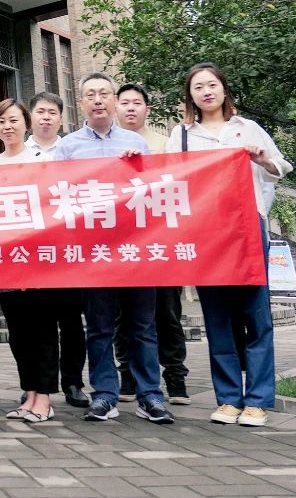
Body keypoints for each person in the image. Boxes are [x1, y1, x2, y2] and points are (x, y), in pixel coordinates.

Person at [165, 63, 292, 428]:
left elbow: (281, 166)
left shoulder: (247, 128)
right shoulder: (182, 135)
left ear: (223, 89)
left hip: (248, 229)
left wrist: (262, 160)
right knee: (217, 316)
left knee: (255, 315)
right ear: (190, 95)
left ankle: (258, 400)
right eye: (198, 87)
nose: (206, 92)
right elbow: (168, 178)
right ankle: (228, 399)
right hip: (206, 232)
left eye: (212, 85)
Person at [54, 73, 173, 425]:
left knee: (143, 326)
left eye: (104, 93)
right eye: (90, 94)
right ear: (81, 103)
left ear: (114, 101)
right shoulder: (68, 147)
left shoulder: (136, 143)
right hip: (94, 252)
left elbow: (154, 192)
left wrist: (138, 167)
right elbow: (56, 195)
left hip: (136, 249)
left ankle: (150, 395)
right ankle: (105, 394)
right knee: (99, 327)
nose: (98, 100)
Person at [115, 83, 189, 406]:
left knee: (167, 312)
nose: (130, 108)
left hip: (160, 241)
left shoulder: (164, 143)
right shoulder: (107, 145)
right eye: (125, 102)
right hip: (120, 244)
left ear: (147, 109)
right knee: (122, 315)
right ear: (116, 108)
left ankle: (175, 376)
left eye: (137, 102)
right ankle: (128, 374)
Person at [0, 98, 59, 423]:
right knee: (18, 333)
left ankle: (44, 397)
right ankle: (29, 393)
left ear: (26, 124)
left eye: (13, 120)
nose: (7, 126)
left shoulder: (43, 161)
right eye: (1, 121)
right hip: (7, 264)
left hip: (40, 262)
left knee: (43, 330)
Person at [23, 91, 88, 409]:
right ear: (30, 117)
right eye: (40, 112)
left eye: (52, 112)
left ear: (61, 119)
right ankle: (40, 385)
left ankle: (73, 382)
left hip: (68, 249)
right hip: (34, 252)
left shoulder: (73, 150)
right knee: (39, 324)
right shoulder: (20, 154)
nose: (46, 117)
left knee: (72, 321)